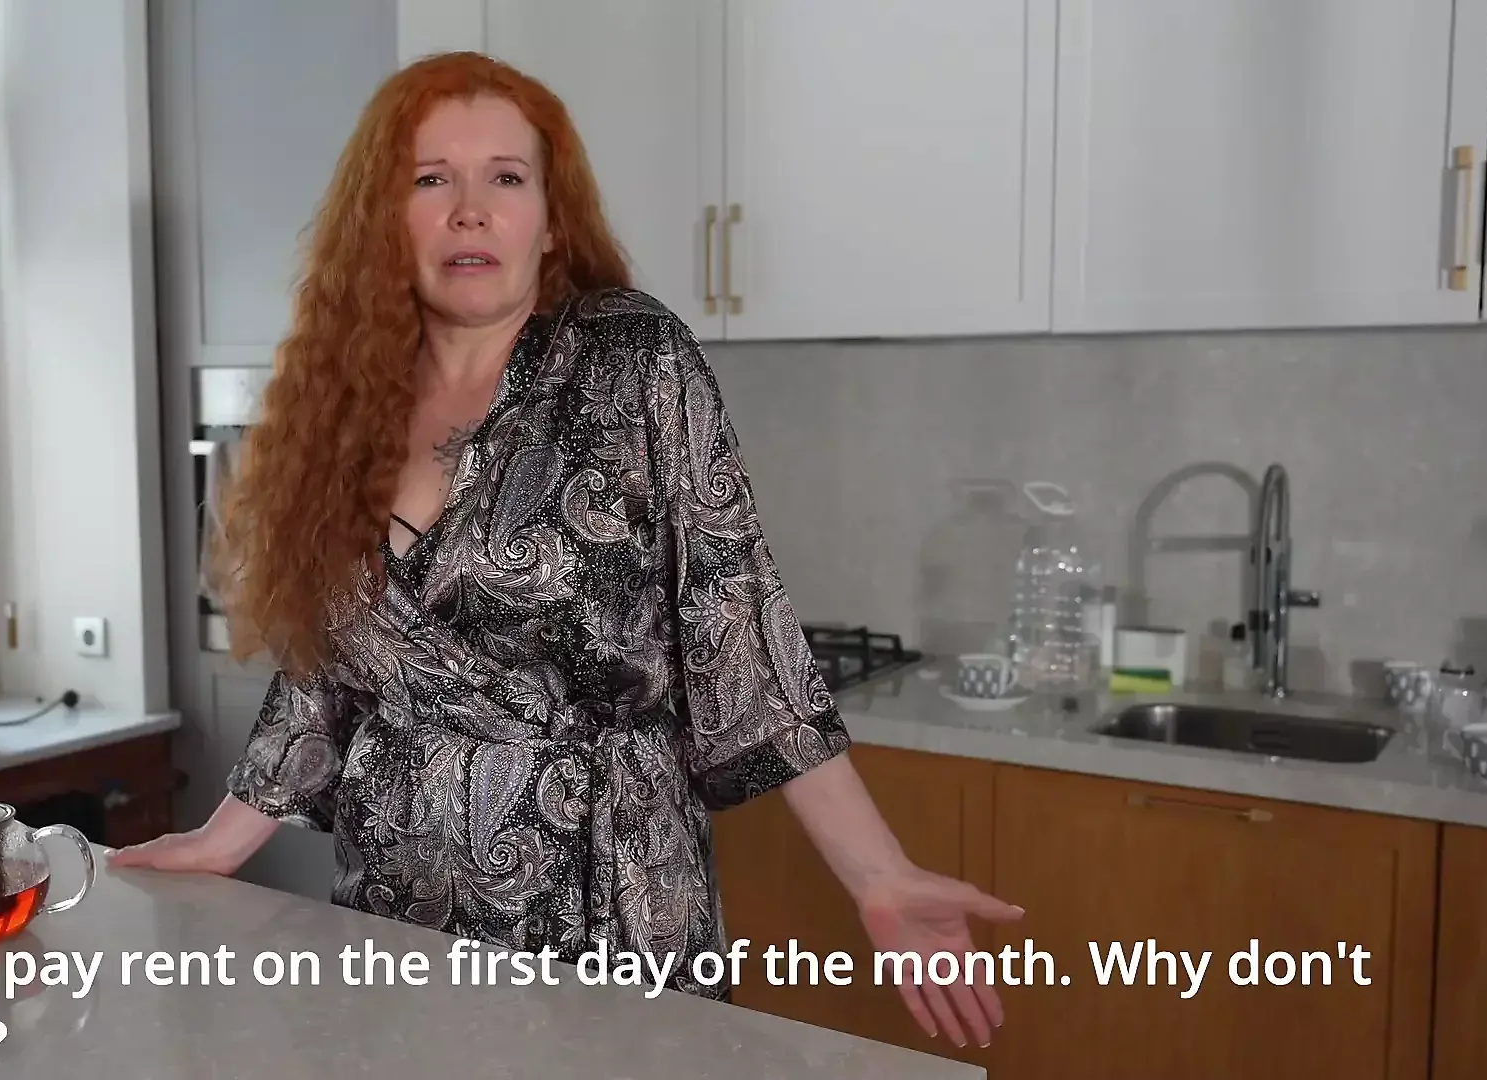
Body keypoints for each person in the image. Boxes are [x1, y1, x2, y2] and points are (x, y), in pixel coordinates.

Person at [109, 51, 1022, 1048]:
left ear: (550, 221)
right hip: (395, 912)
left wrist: (880, 876)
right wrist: (222, 837)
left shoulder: (630, 359)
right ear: (383, 218)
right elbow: (329, 668)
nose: (470, 211)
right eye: (431, 179)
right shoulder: (347, 397)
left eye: (505, 177)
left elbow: (737, 619)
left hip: (604, 906)